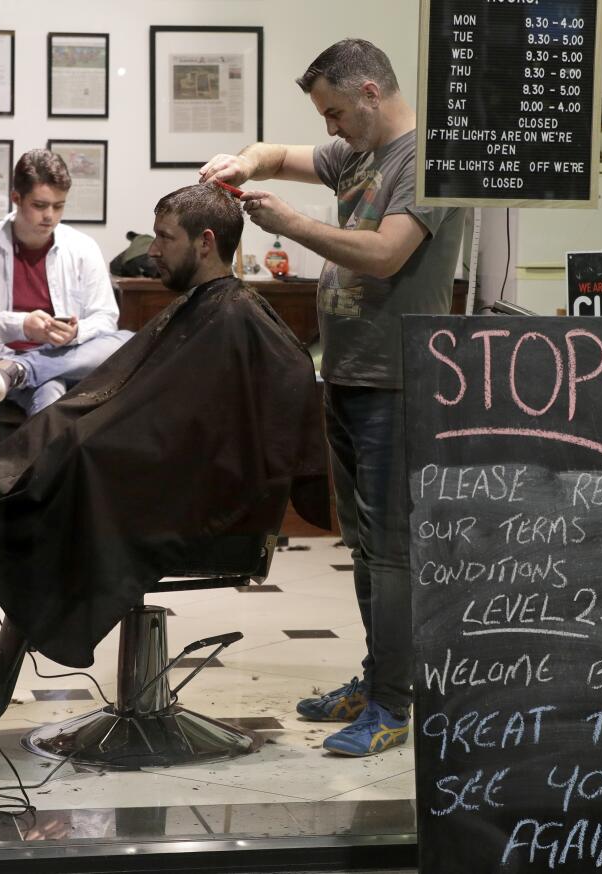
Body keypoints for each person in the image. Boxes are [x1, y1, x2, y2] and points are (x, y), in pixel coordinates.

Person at [0, 183, 328, 694]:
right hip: (144, 485)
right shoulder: (207, 310)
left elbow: (228, 422)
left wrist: (74, 454)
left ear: (205, 242)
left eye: (164, 237)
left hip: (172, 508)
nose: (151, 250)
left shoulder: (237, 317)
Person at [199, 38, 467, 757]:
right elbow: (273, 152)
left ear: (373, 94)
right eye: (325, 116)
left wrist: (289, 224)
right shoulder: (358, 152)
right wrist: (242, 164)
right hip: (347, 375)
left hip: (398, 382)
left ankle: (393, 704)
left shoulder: (429, 162)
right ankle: (378, 677)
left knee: (392, 554)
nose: (331, 130)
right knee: (364, 546)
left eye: (338, 113)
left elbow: (385, 254)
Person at [0, 148, 131, 416]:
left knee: (126, 341)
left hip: (68, 358)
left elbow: (106, 318)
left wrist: (76, 333)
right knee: (51, 389)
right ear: (16, 198)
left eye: (59, 206)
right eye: (40, 205)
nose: (50, 217)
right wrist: (22, 326)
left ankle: (23, 370)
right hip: (2, 359)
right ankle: (18, 369)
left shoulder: (83, 247)